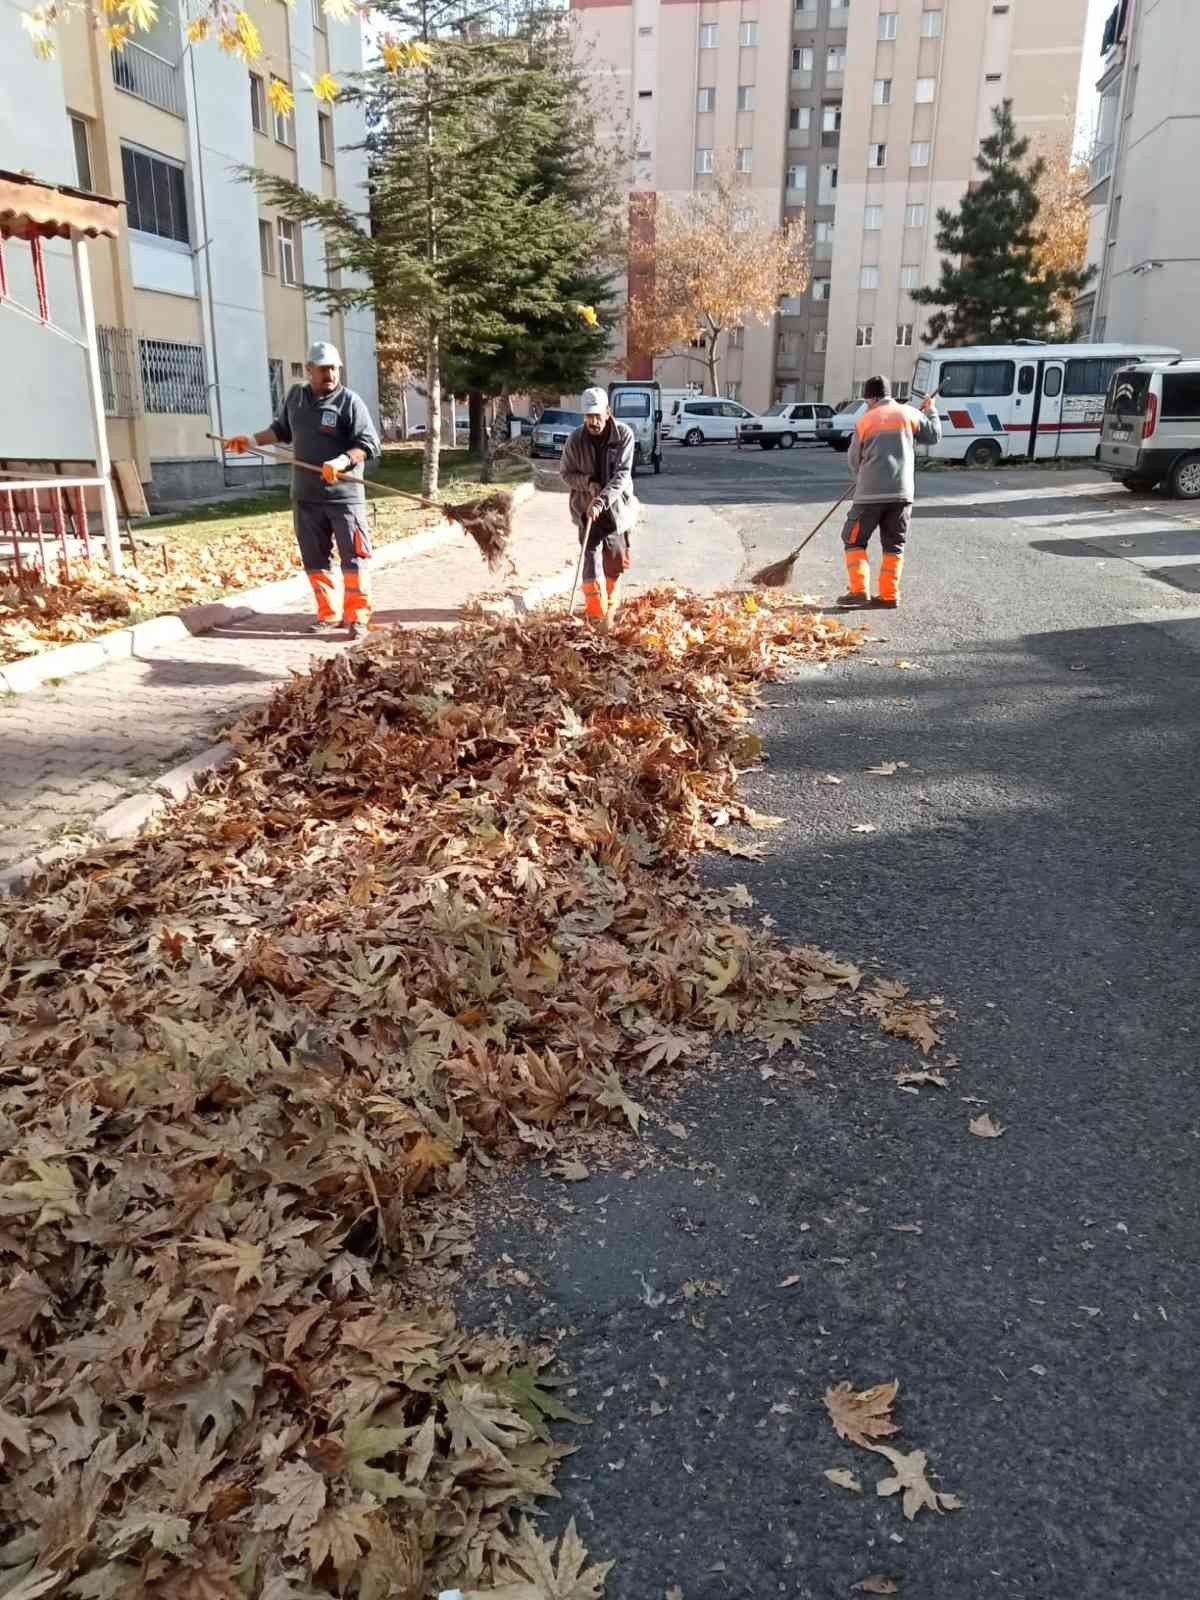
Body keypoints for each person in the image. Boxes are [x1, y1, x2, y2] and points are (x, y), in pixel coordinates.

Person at [224, 342, 381, 637]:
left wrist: (343, 460)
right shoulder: (296, 398)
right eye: (322, 369)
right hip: (306, 495)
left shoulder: (350, 402)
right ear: (308, 370)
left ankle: (357, 616)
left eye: (334, 368)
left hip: (343, 498)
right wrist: (251, 440)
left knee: (353, 557)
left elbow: (369, 444)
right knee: (315, 557)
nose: (329, 374)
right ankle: (328, 614)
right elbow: (282, 430)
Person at [839, 375, 942, 609]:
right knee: (894, 544)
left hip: (869, 496)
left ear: (873, 397)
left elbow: (854, 460)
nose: (866, 404)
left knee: (853, 539)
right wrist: (931, 410)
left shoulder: (866, 421)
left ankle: (858, 591)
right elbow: (934, 436)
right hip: (902, 495)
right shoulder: (910, 414)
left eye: (867, 400)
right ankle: (888, 595)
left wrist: (863, 475)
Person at [560, 387, 637, 629]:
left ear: (608, 412)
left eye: (597, 416)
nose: (593, 422)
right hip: (587, 510)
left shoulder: (623, 434)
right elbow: (565, 474)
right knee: (591, 560)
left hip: (615, 510)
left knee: (614, 560)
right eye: (588, 416)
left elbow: (622, 475)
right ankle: (596, 616)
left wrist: (602, 500)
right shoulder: (575, 440)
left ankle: (610, 609)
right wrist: (588, 484)